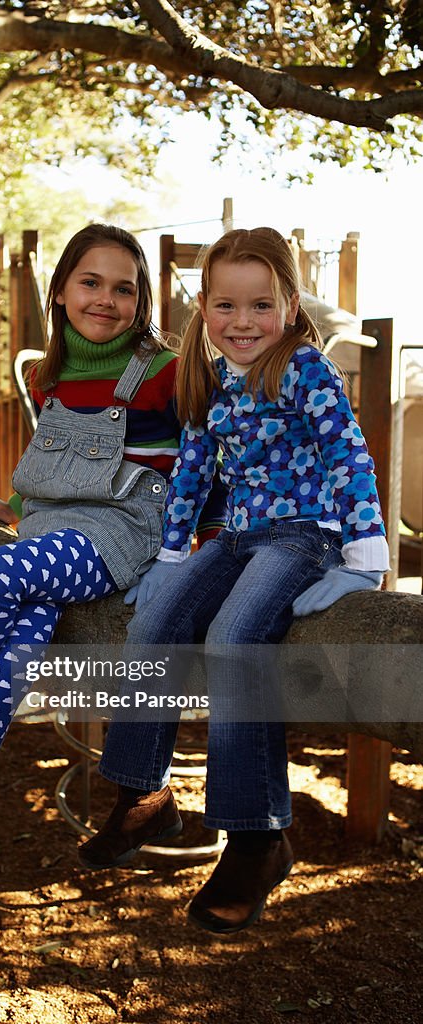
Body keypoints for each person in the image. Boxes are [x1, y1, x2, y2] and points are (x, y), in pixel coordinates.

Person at [0, 223, 225, 974]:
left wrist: (208, 547)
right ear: (62, 290)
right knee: (23, 638)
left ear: (143, 301)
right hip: (55, 535)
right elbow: (61, 470)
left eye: (124, 286)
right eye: (91, 282)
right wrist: (10, 506)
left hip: (124, 536)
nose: (106, 298)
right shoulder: (50, 377)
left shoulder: (168, 371)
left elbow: (213, 460)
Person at [78, 226, 389, 935]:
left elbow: (349, 452)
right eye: (225, 306)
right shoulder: (211, 376)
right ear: (203, 307)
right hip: (236, 536)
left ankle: (257, 840)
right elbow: (193, 469)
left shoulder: (306, 369)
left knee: (232, 637)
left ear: (288, 302)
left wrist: (363, 562)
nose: (242, 323)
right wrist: (171, 556)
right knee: (154, 623)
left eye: (260, 306)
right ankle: (142, 795)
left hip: (303, 536)